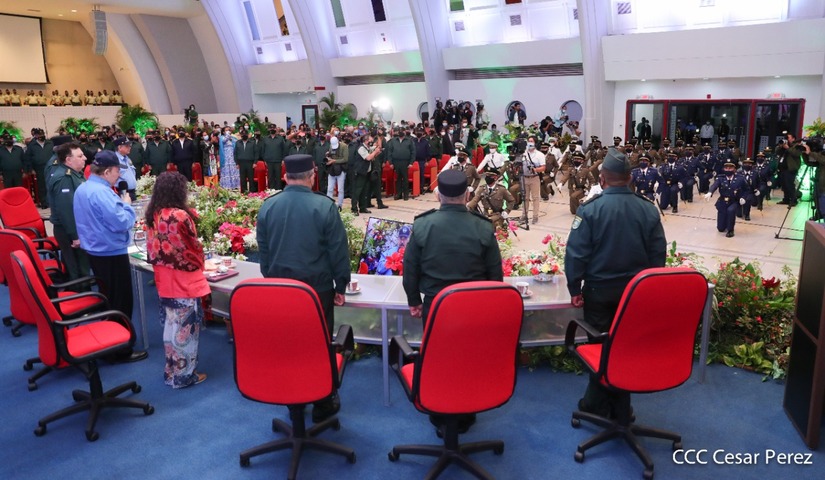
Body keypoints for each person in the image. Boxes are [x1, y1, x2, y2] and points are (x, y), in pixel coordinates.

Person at [564, 147, 666, 419]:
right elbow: (658, 255)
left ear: (602, 179)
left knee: (599, 347)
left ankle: (598, 404)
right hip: (635, 295)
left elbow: (576, 254)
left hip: (599, 293)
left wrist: (574, 289)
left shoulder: (590, 210)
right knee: (626, 346)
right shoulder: (647, 209)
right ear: (630, 178)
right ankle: (618, 407)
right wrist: (651, 291)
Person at [402, 168, 503, 435]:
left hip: (435, 307)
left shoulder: (423, 225)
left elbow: (410, 269)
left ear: (438, 196)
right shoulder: (483, 226)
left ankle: (439, 411)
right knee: (470, 357)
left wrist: (413, 300)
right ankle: (467, 410)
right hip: (474, 308)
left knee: (437, 358)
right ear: (467, 195)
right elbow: (495, 275)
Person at [256, 154, 351, 423]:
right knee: (319, 344)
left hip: (281, 289)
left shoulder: (268, 206)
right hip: (316, 291)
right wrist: (341, 285)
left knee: (288, 342)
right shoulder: (324, 206)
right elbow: (338, 251)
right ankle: (322, 400)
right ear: (312, 176)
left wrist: (272, 280)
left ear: (285, 177)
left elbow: (264, 252)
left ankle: (292, 397)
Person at [73, 150, 148, 363]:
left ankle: (111, 343)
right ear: (106, 172)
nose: (119, 175)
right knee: (120, 302)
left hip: (95, 250)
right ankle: (120, 349)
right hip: (110, 252)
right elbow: (122, 222)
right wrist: (127, 205)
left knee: (109, 298)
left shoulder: (83, 188)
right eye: (117, 171)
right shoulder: (102, 193)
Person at [145, 172, 210, 388]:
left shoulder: (153, 214)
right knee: (186, 330)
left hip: (164, 279)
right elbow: (192, 248)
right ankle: (184, 375)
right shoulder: (180, 216)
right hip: (184, 280)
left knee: (171, 326)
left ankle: (171, 371)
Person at [48, 142, 91, 280]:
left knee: (83, 264)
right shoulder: (64, 178)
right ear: (68, 160)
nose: (85, 158)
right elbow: (66, 209)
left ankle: (84, 288)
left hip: (78, 226)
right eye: (80, 156)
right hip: (69, 229)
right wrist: (74, 235)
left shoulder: (75, 174)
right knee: (77, 268)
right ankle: (81, 291)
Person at [705, 161, 747, 237]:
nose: (728, 170)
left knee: (731, 211)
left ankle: (731, 230)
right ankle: (724, 224)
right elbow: (714, 185)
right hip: (723, 201)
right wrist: (710, 192)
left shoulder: (740, 179)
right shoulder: (721, 178)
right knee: (721, 228)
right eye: (726, 168)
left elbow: (746, 190)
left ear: (734, 169)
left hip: (734, 201)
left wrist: (743, 197)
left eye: (730, 168)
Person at [25, 129, 53, 208]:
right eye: (39, 135)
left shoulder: (50, 143)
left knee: (51, 184)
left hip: (50, 167)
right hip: (39, 168)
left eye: (42, 134)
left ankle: (52, 202)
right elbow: (28, 158)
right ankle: (44, 202)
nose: (41, 136)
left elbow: (54, 154)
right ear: (36, 136)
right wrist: (31, 169)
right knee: (41, 186)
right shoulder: (32, 145)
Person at [113, 136, 138, 201]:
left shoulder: (127, 158)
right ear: (119, 147)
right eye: (127, 146)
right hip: (122, 192)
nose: (129, 148)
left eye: (130, 146)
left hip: (132, 192)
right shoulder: (115, 160)